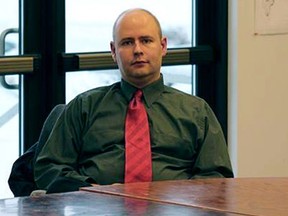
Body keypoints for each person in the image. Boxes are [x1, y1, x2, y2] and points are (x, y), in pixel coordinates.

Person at [34, 8, 234, 193]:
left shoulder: (196, 111)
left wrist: (177, 198)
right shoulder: (84, 107)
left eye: (146, 40)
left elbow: (217, 179)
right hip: (97, 209)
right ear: (113, 51)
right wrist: (94, 190)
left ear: (163, 46)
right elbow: (50, 169)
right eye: (127, 42)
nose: (138, 50)